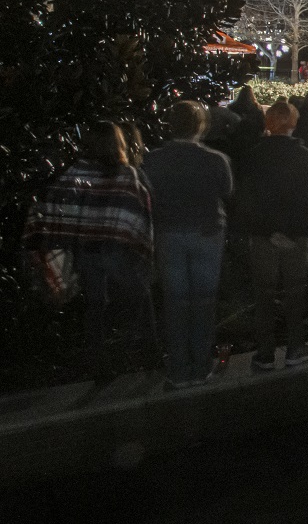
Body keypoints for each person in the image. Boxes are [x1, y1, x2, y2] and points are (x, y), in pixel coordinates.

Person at [24, 123, 155, 376]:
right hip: (118, 250)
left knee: (95, 306)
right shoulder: (128, 174)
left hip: (88, 250)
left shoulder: (75, 173)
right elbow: (141, 207)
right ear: (118, 143)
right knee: (139, 296)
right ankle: (149, 353)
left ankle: (98, 364)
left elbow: (54, 203)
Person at [141, 101, 234, 388]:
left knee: (175, 301)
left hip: (169, 232)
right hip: (207, 232)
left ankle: (179, 367)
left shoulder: (152, 160)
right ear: (200, 127)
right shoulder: (216, 159)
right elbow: (227, 191)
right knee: (204, 300)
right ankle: (201, 365)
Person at [236, 101, 308, 370]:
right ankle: (295, 346)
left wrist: (268, 230)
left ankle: (265, 353)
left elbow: (246, 198)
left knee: (264, 295)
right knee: (295, 292)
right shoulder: (307, 157)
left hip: (263, 235)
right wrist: (290, 231)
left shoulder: (252, 156)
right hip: (297, 235)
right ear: (294, 123)